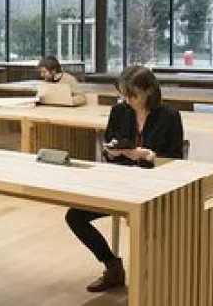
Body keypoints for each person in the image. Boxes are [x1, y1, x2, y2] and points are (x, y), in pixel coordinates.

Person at [64, 65, 183, 293]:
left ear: (149, 90)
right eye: (124, 95)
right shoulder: (119, 111)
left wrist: (149, 156)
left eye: (132, 95)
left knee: (142, 222)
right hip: (121, 182)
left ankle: (153, 279)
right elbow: (109, 148)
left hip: (154, 187)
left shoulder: (169, 116)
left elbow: (177, 159)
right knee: (75, 216)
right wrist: (112, 152)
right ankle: (112, 265)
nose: (128, 100)